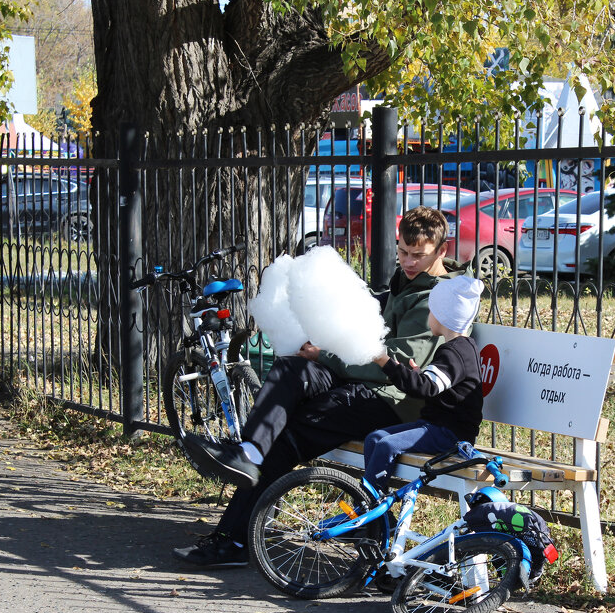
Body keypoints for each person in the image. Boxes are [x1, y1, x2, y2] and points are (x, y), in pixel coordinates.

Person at [173, 205, 466, 568]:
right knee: (291, 369)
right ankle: (247, 452)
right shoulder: (404, 282)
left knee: (288, 435)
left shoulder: (435, 298)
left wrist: (325, 354)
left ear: (442, 250)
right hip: (356, 381)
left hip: (390, 401)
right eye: (403, 251)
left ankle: (233, 539)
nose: (407, 261)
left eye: (417, 255)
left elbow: (392, 366)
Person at [362, 275, 485, 493]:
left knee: (387, 445)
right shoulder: (457, 348)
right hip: (434, 426)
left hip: (452, 434)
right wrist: (419, 374)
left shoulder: (456, 353)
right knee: (374, 438)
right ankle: (375, 513)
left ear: (442, 316)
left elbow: (423, 388)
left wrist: (385, 362)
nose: (429, 314)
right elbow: (434, 385)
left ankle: (368, 508)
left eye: (431, 310)